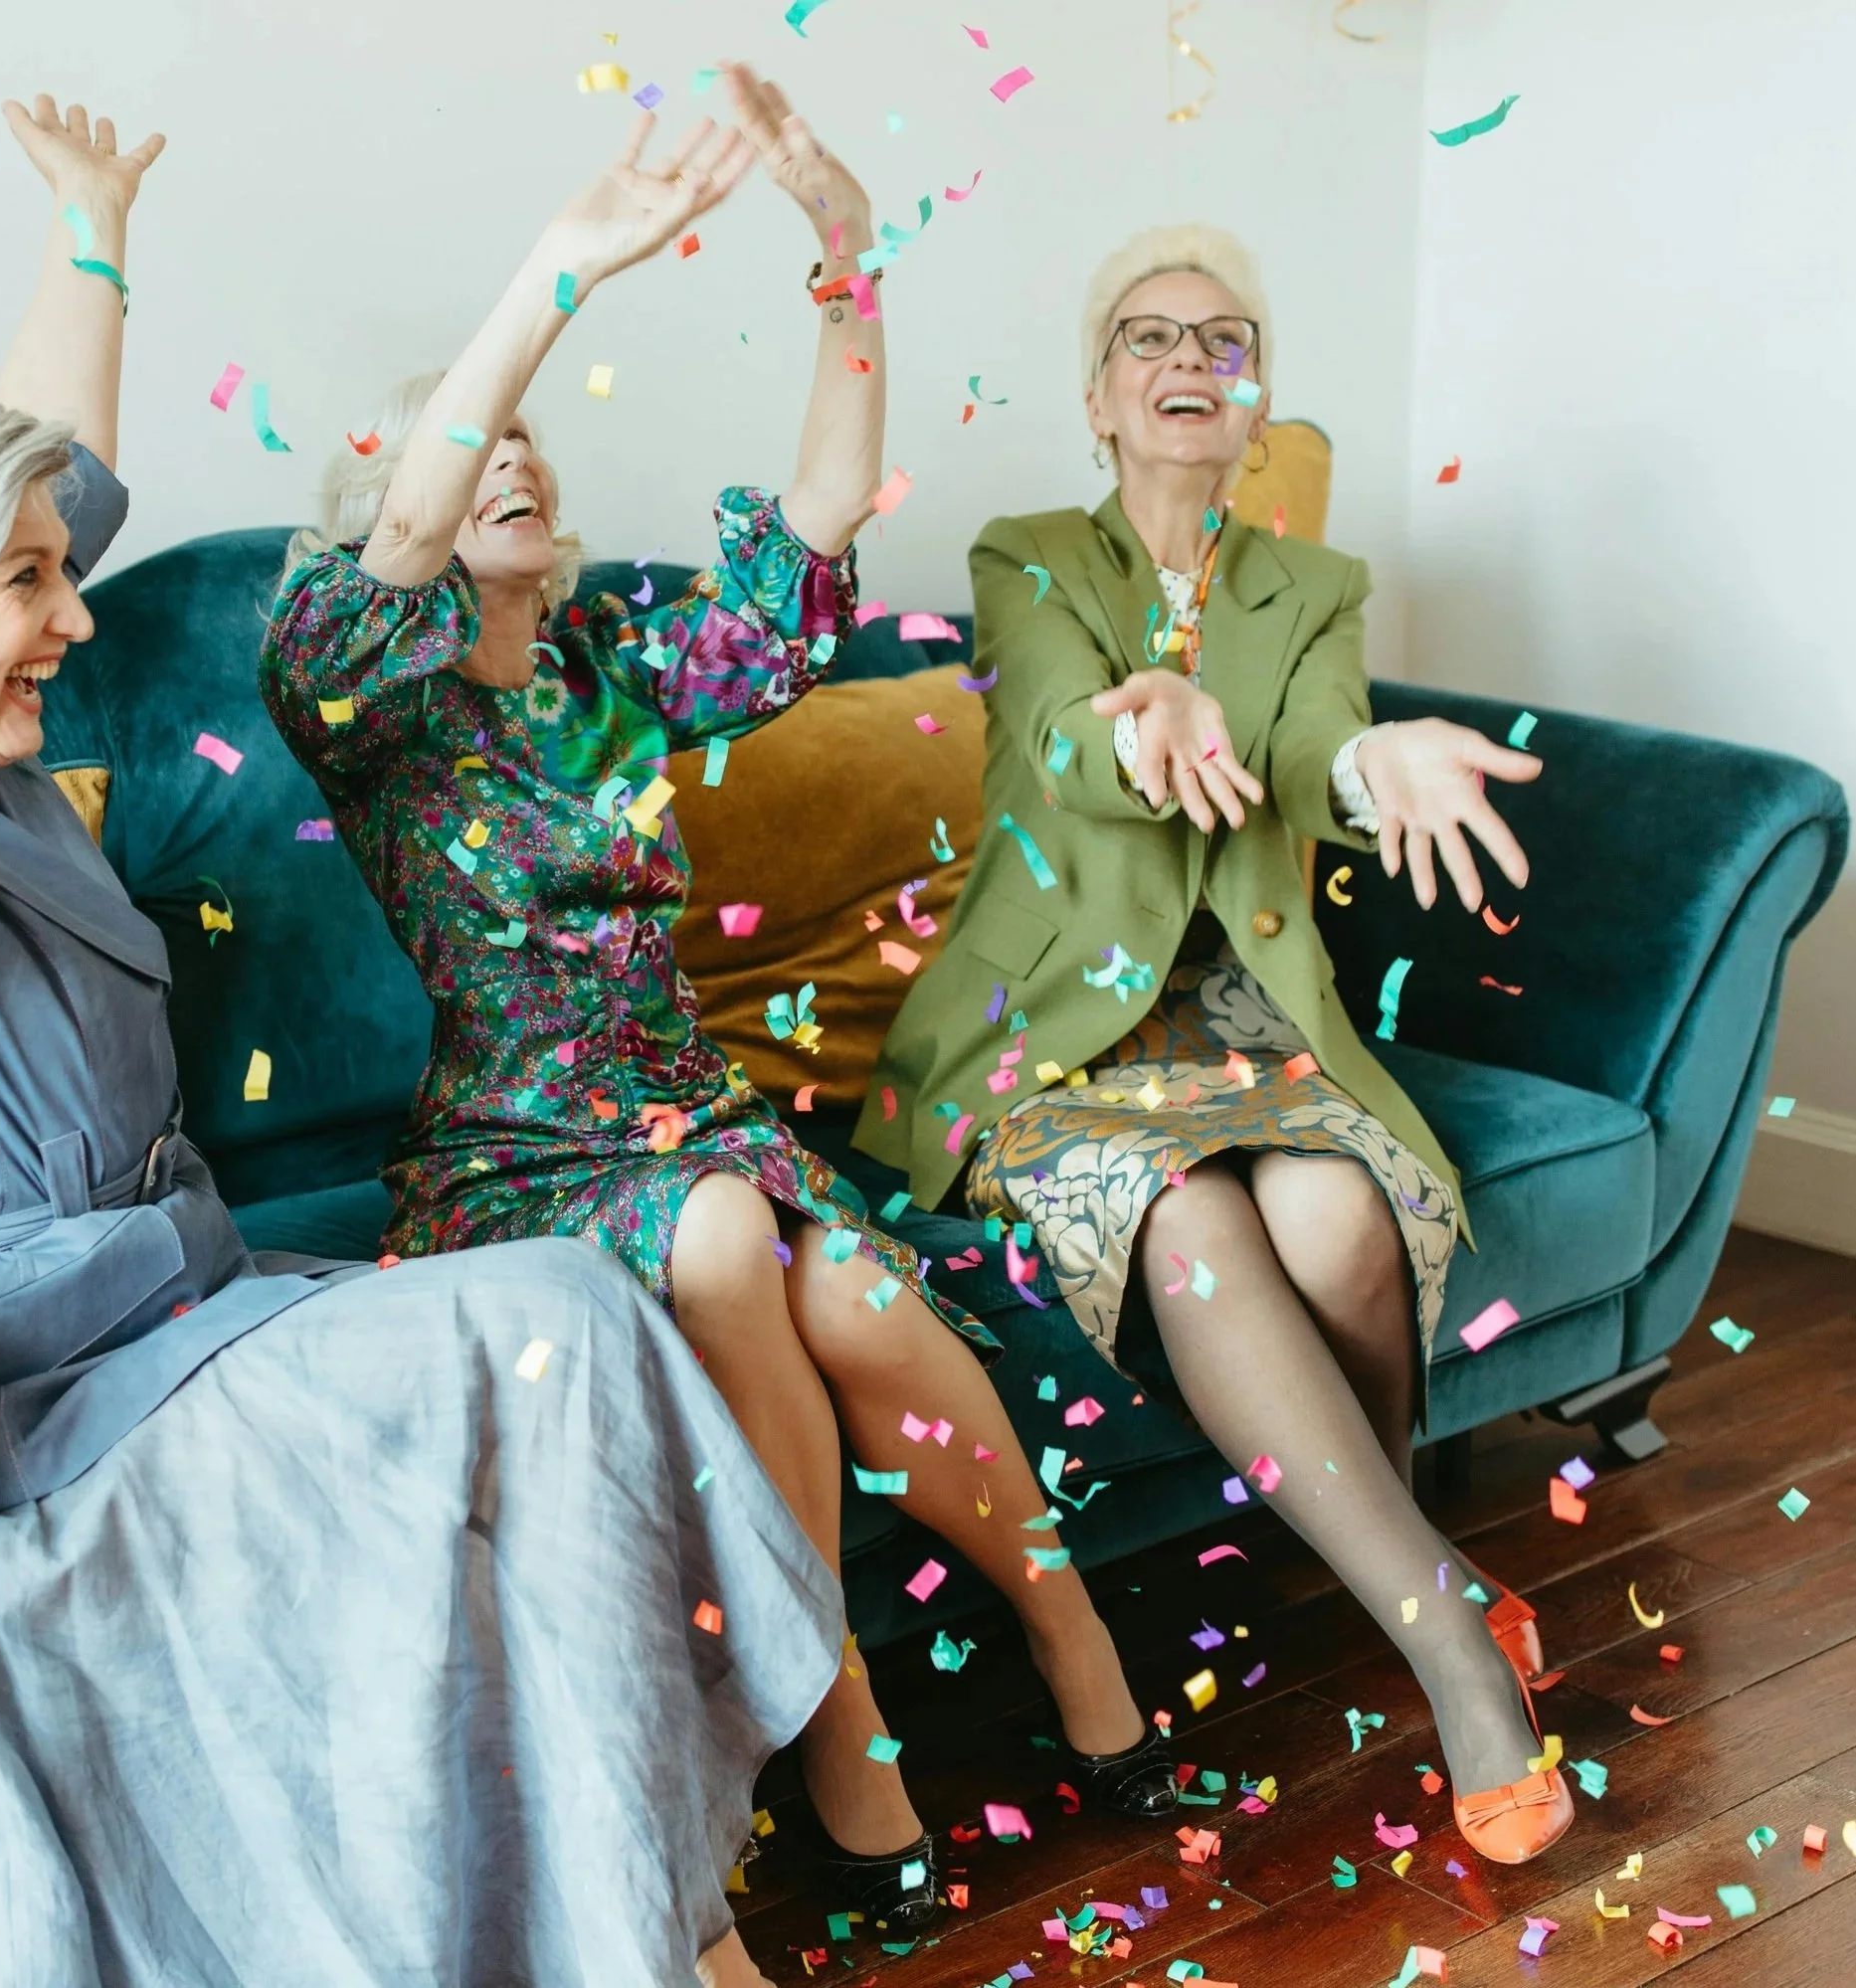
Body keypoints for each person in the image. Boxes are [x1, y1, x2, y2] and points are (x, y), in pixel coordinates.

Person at [0, 96, 841, 1988]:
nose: (78, 612)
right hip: (47, 1408)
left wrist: (93, 233)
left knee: (552, 1361)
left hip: (204, 1311)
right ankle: (675, 1932)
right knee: (550, 1314)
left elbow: (40, 474)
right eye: (31, 585)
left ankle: (664, 1918)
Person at [259, 68, 1177, 1936]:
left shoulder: (614, 660)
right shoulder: (361, 698)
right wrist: (559, 277)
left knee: (843, 1279)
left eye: (532, 446)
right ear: (404, 509)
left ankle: (1065, 1620)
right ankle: (841, 1724)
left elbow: (823, 521)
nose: (509, 455)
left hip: (694, 1118)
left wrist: (846, 253)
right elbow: (409, 524)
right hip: (514, 1151)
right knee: (721, 1228)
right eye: (465, 446)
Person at [864, 224, 1570, 1866]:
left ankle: (1407, 1567)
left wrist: (1371, 764)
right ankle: (1456, 1645)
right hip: (1054, 1040)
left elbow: (1322, 750)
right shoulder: (1027, 555)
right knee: (1186, 1219)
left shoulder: (1313, 586)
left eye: (1224, 341)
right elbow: (1053, 727)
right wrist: (1151, 715)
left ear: (1257, 400)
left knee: (1333, 1216)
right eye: (1148, 338)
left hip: (1247, 1018)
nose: (1189, 362)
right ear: (1098, 397)